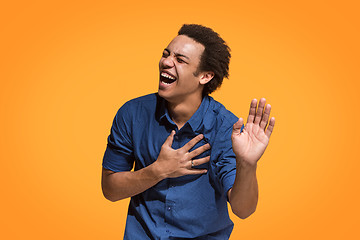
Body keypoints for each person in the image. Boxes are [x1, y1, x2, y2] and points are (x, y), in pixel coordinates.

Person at [101, 24, 275, 239]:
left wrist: (247, 164)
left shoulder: (226, 129)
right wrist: (158, 170)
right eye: (166, 54)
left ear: (205, 77)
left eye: (180, 60)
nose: (166, 62)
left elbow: (243, 209)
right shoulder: (132, 114)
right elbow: (110, 189)